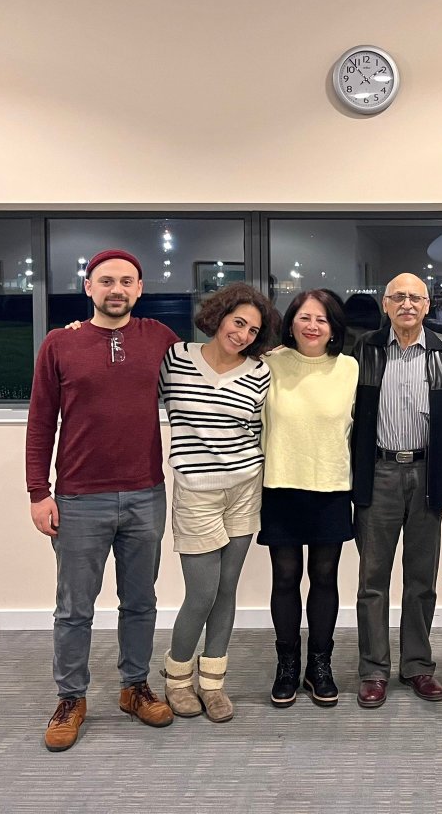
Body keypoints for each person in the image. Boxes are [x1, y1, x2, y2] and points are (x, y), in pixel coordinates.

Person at [26, 249, 178, 752]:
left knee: (140, 602)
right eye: (107, 281)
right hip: (78, 498)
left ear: (140, 289)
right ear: (88, 287)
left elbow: (213, 364)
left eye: (127, 281)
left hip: (145, 494)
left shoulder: (159, 338)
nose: (117, 289)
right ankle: (71, 698)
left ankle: (134, 687)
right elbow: (41, 421)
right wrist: (38, 492)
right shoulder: (60, 343)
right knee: (74, 608)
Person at [351, 273, 442, 709]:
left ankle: (418, 665)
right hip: (377, 473)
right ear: (385, 304)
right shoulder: (364, 349)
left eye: (415, 297)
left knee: (421, 580)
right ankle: (373, 670)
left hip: (427, 475)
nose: (407, 304)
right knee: (372, 580)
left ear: (427, 305)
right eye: (398, 297)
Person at [158, 283, 274, 723]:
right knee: (202, 593)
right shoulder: (176, 358)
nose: (242, 334)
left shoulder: (259, 372)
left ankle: (212, 683)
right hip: (196, 492)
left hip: (245, 489)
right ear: (220, 316)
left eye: (252, 330)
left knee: (227, 590)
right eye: (238, 322)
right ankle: (176, 678)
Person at [258, 290, 358, 708]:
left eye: (322, 319)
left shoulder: (349, 368)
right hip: (281, 485)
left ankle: (319, 665)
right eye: (304, 317)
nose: (312, 326)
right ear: (291, 323)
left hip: (331, 487)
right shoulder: (269, 364)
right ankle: (286, 665)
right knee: (284, 578)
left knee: (324, 577)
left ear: (333, 326)